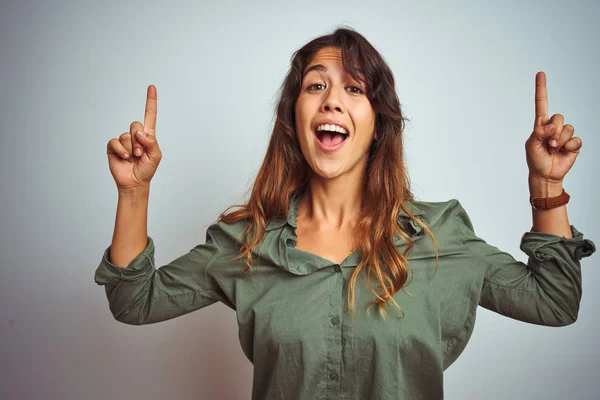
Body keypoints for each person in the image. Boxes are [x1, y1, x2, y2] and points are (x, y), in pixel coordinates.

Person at [96, 27, 596, 399]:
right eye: (316, 86)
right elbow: (134, 301)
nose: (333, 99)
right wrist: (133, 193)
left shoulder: (438, 235)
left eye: (355, 89)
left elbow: (554, 303)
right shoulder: (246, 242)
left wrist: (547, 185)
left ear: (378, 123)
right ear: (295, 116)